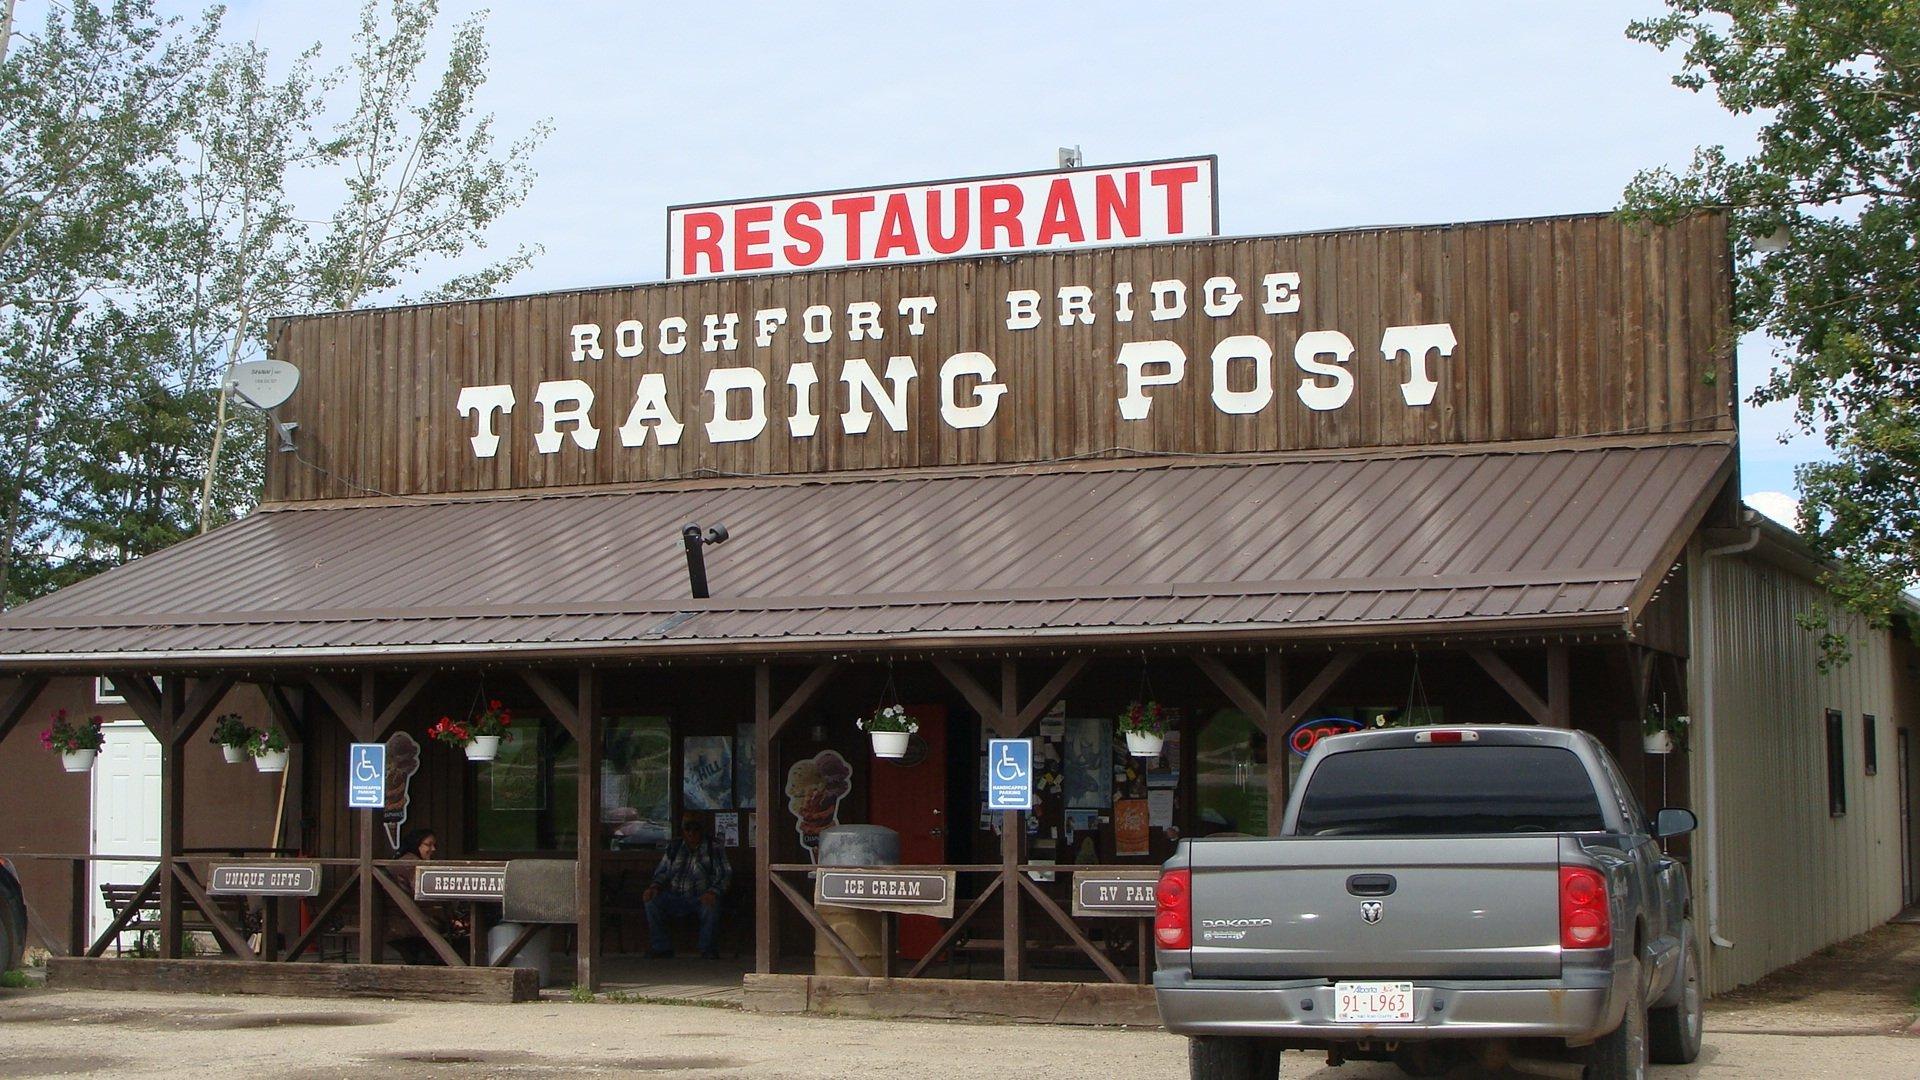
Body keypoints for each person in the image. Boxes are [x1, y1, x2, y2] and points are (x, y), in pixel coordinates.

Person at [643, 813, 731, 959]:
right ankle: (661, 947)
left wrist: (713, 892)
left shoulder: (713, 847)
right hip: (675, 896)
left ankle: (707, 950)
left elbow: (725, 874)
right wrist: (654, 887)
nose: (691, 832)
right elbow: (662, 871)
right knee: (652, 901)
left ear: (701, 830)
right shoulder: (674, 846)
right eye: (687, 828)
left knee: (711, 907)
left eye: (695, 828)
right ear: (683, 830)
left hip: (701, 897)